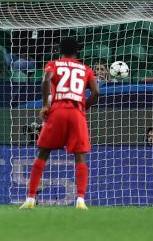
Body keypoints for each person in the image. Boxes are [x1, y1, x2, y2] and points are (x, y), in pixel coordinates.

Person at [20, 37, 100, 210]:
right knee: (80, 156)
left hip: (58, 110)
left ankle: (30, 198)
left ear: (59, 50)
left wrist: (46, 105)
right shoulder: (85, 68)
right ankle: (80, 200)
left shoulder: (53, 65)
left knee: (43, 154)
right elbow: (96, 92)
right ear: (77, 51)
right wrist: (83, 106)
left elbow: (46, 80)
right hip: (76, 112)